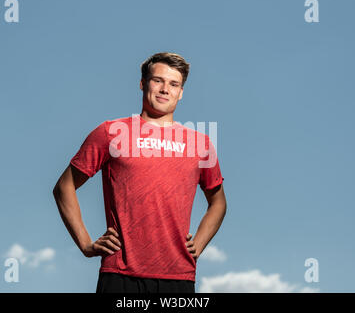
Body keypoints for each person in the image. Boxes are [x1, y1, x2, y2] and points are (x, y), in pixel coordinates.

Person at [53, 52, 227, 293]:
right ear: (143, 83)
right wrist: (85, 243)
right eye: (158, 80)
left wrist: (198, 243)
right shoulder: (111, 132)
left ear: (181, 92)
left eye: (174, 84)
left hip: (178, 276)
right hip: (120, 274)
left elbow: (218, 202)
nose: (165, 89)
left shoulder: (201, 144)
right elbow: (64, 186)